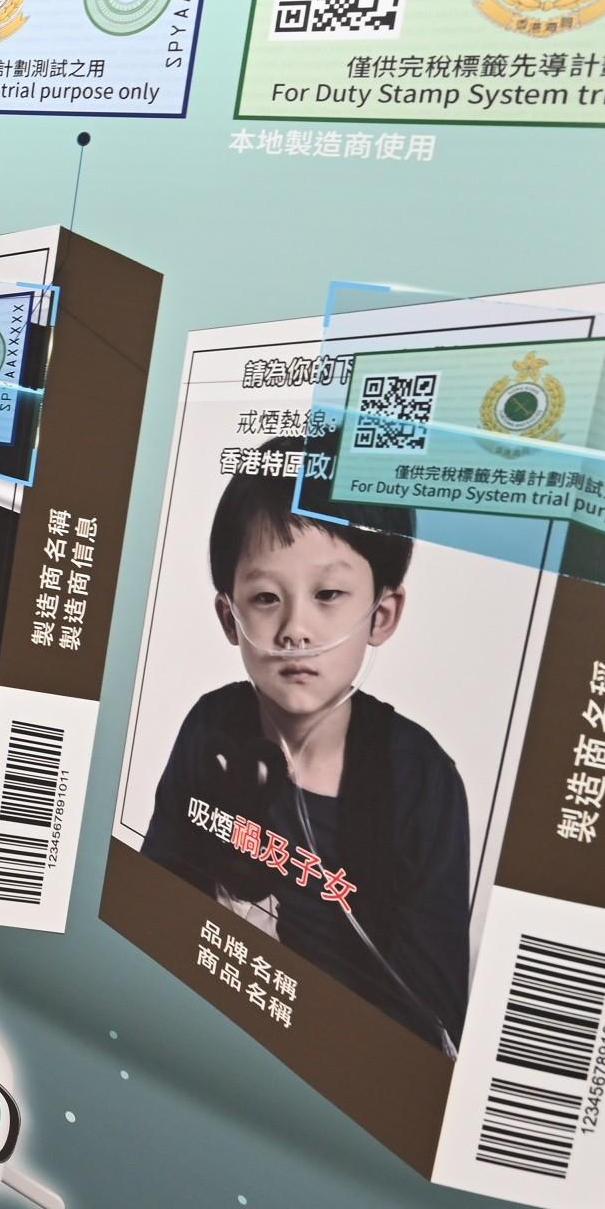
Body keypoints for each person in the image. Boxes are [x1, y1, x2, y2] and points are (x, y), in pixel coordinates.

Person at [139, 440, 472, 1049]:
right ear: (227, 615)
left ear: (382, 614)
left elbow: (433, 1018)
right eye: (266, 598)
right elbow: (152, 901)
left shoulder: (421, 781)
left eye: (328, 595)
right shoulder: (211, 727)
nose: (295, 629)